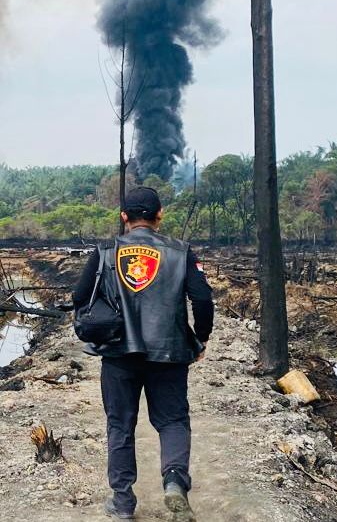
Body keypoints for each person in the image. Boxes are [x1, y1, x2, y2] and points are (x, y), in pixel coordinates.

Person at [72, 186, 214, 521]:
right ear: (160, 214)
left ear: (124, 217)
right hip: (170, 352)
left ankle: (123, 504)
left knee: (120, 425)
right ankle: (175, 480)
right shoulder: (181, 252)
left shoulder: (105, 251)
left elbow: (80, 296)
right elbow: (203, 299)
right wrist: (201, 339)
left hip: (119, 354)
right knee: (173, 420)